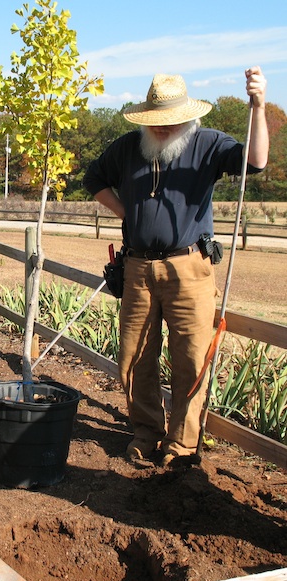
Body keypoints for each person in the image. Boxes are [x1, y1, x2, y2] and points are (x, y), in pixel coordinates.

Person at [83, 67, 268, 465]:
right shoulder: (129, 147)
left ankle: (182, 445)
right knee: (134, 357)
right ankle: (146, 432)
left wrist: (258, 104)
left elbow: (255, 161)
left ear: (187, 116)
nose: (163, 129)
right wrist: (126, 213)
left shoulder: (208, 144)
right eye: (157, 122)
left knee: (191, 358)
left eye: (170, 122)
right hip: (137, 270)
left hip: (190, 270)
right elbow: (93, 177)